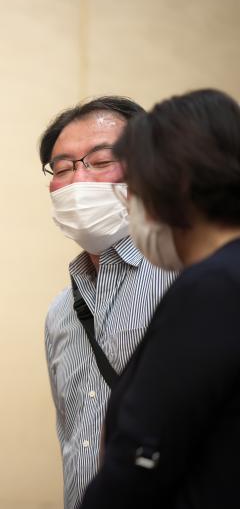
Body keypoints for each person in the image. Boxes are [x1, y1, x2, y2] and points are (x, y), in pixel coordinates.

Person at [80, 88, 240, 508]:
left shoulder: (213, 288)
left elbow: (144, 452)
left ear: (175, 182)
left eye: (133, 188)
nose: (130, 205)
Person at [39, 96, 177, 508]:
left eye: (101, 162)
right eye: (63, 168)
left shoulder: (187, 279)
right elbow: (74, 441)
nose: (79, 180)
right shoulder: (61, 313)